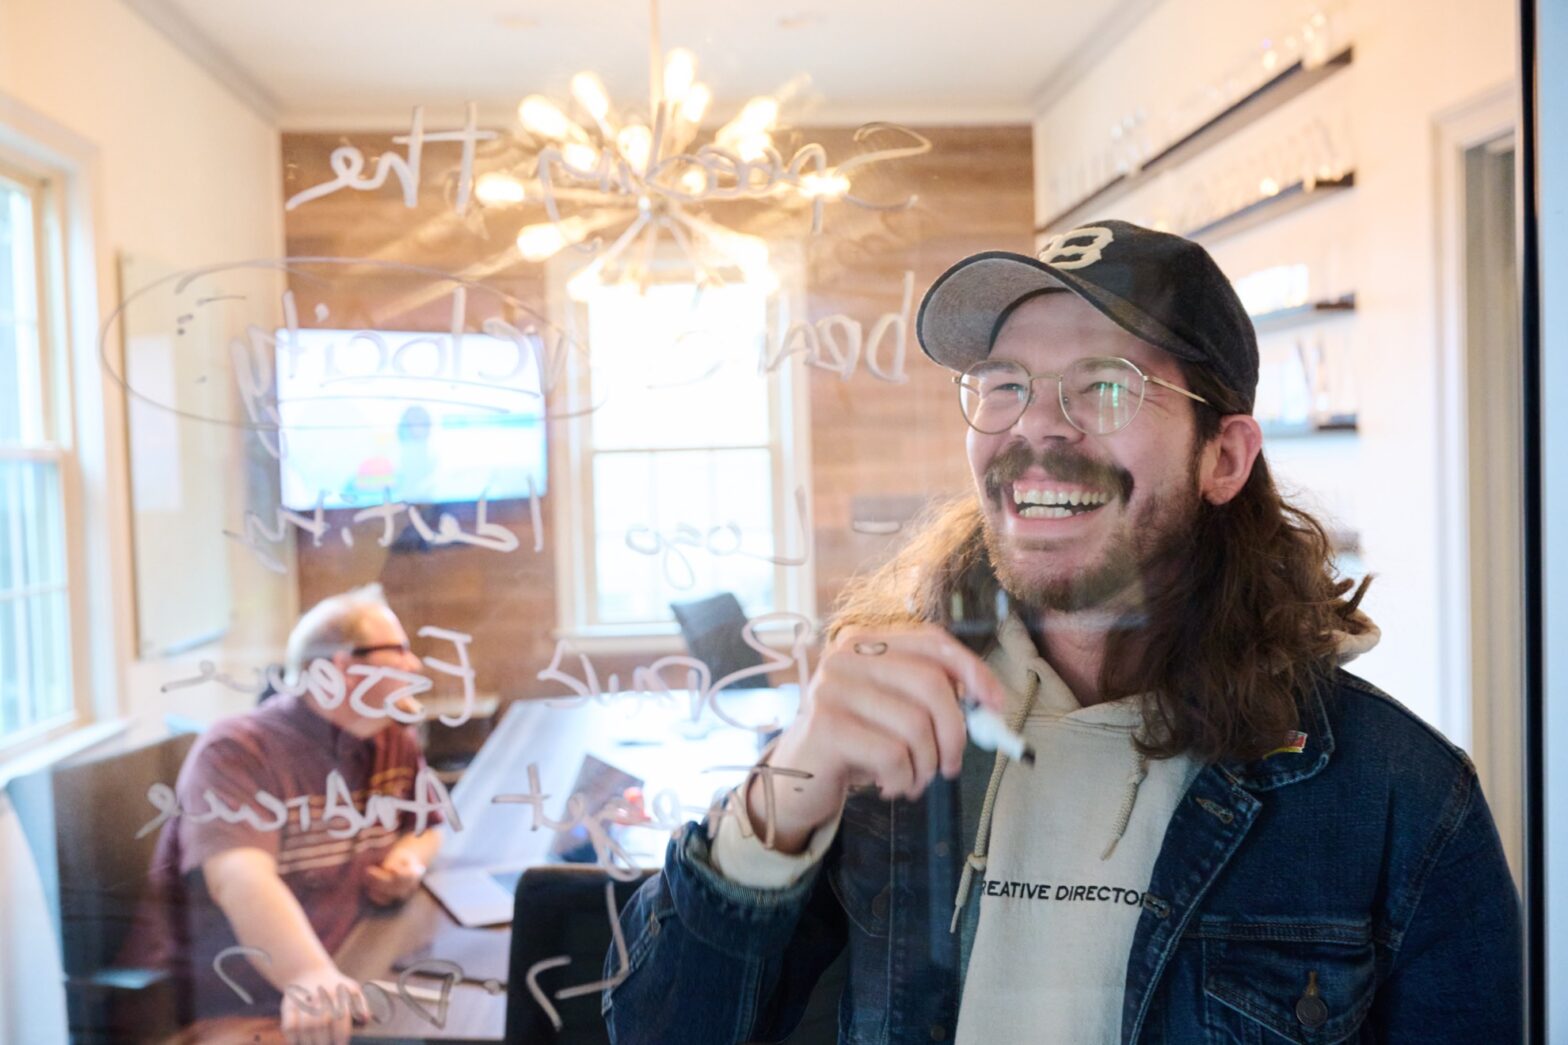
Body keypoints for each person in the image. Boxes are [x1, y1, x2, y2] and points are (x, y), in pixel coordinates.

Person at [602, 222, 1522, 1043]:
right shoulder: (888, 733)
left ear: (1225, 456)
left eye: (1107, 387)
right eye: (1005, 384)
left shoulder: (1398, 802)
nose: (1038, 426)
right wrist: (787, 788)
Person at [126, 584, 445, 1044]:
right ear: (343, 668)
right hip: (243, 1008)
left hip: (351, 970)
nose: (415, 666)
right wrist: (308, 975)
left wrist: (409, 860)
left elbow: (425, 826)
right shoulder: (237, 751)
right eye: (400, 651)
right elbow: (239, 877)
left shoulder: (391, 736)